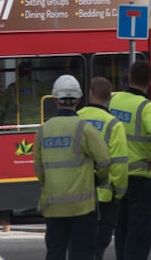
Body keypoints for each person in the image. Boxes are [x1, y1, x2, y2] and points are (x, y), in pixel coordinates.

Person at [34, 74, 111, 260]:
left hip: (53, 206)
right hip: (82, 209)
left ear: (54, 100)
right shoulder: (85, 129)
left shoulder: (43, 130)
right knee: (81, 254)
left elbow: (39, 169)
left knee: (55, 252)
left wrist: (51, 184)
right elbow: (104, 162)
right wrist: (99, 179)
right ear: (78, 99)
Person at [107, 61, 151, 260]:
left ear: (129, 77)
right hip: (141, 178)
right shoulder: (146, 107)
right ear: (149, 82)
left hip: (117, 176)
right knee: (139, 232)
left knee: (121, 227)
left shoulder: (113, 101)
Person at [77, 77, 129, 260]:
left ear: (90, 93)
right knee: (99, 245)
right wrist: (119, 193)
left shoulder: (76, 118)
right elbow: (120, 163)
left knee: (80, 245)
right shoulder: (113, 124)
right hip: (105, 198)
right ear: (109, 98)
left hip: (78, 195)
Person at [0, 61, 49, 125]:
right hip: (35, 125)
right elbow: (53, 95)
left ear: (18, 73)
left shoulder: (11, 88)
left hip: (15, 126)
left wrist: (0, 119)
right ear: (30, 73)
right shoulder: (38, 86)